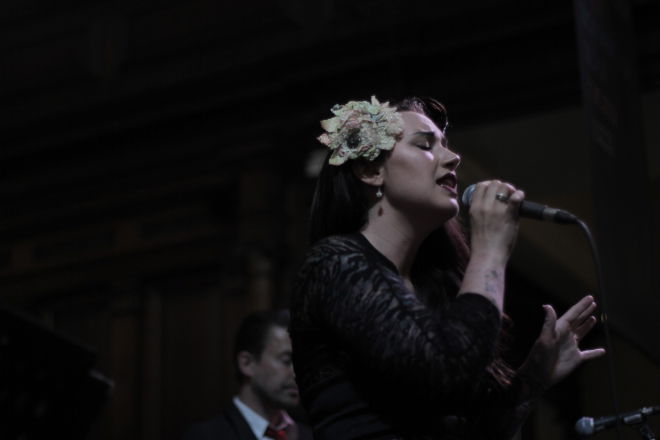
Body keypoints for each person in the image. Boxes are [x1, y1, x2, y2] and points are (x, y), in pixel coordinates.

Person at [289, 96, 605, 440]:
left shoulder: (433, 285)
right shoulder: (334, 263)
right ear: (371, 171)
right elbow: (445, 370)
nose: (454, 158)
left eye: (446, 144)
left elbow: (475, 426)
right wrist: (490, 249)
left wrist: (534, 377)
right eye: (425, 145)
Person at [184, 310, 313, 440]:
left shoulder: (312, 435)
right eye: (286, 361)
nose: (299, 373)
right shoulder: (206, 436)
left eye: (302, 363)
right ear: (247, 363)